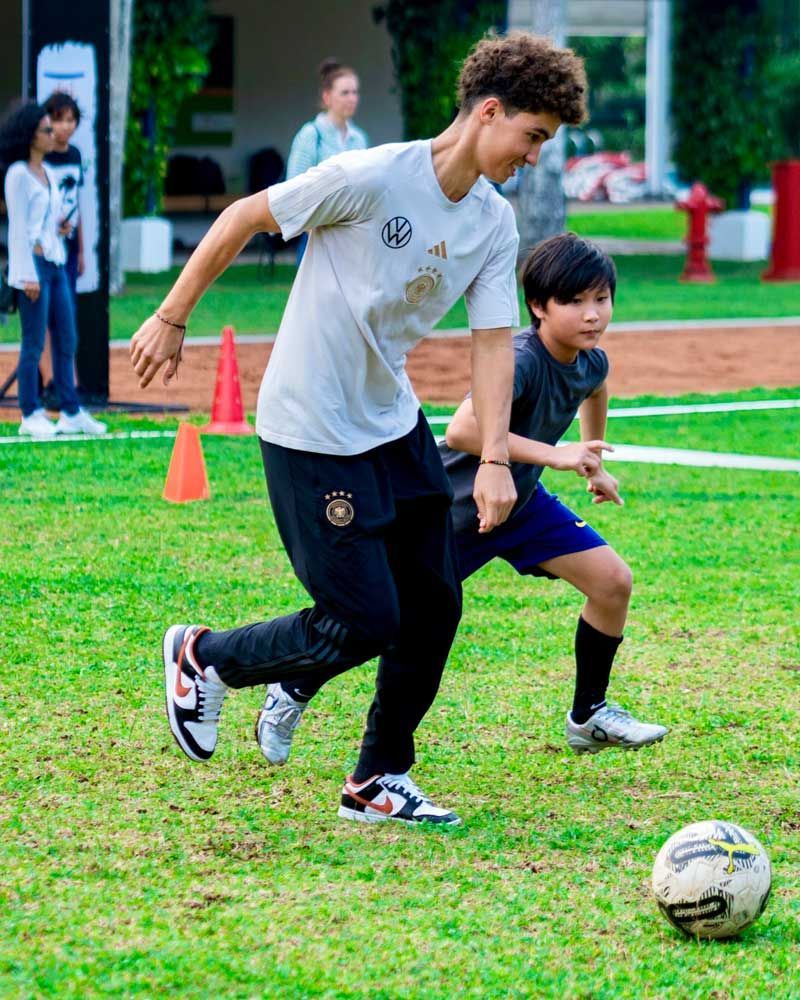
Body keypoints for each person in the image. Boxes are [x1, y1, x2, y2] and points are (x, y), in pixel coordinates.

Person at [130, 32, 588, 826]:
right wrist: (173, 316)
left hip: (391, 423)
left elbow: (489, 342)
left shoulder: (493, 221)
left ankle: (377, 778)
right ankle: (202, 657)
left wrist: (494, 462)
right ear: (489, 112)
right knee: (367, 618)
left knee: (435, 603)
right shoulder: (374, 176)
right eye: (533, 136)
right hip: (310, 424)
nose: (535, 156)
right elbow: (244, 215)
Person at [256, 234, 668, 774]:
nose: (592, 315)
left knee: (612, 581)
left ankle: (588, 714)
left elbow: (596, 389)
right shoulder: (519, 360)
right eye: (574, 302)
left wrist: (594, 458)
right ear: (540, 307)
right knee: (383, 621)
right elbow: (465, 429)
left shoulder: (590, 360)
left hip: (520, 507)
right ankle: (292, 684)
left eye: (601, 299)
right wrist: (557, 453)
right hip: (450, 512)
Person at [0, 103, 105, 438]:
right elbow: (17, 230)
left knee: (67, 337)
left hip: (57, 262)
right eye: (47, 129)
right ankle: (30, 412)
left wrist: (58, 227)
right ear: (31, 135)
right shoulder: (18, 174)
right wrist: (26, 275)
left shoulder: (47, 171)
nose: (53, 134)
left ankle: (71, 411)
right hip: (34, 268)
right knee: (33, 342)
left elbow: (44, 220)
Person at [286, 58, 368, 263]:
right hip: (316, 236)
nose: (352, 98)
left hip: (351, 238)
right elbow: (293, 188)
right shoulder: (311, 134)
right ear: (327, 97)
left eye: (355, 92)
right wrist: (310, 231)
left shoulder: (359, 138)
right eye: (345, 93)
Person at [43, 92, 85, 307]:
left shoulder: (76, 155)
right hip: (48, 244)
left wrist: (81, 251)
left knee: (67, 306)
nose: (65, 126)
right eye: (59, 120)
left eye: (70, 120)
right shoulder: (42, 157)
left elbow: (77, 202)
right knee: (50, 307)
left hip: (70, 243)